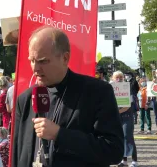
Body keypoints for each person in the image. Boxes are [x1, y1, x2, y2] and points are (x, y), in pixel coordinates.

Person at [12, 26, 124, 167]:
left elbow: (113, 151)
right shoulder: (25, 99)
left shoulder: (97, 92)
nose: (35, 68)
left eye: (43, 61)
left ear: (65, 58)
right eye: (32, 60)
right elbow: (18, 154)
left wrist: (60, 135)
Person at [112, 71, 138, 167]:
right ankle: (124, 161)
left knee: (128, 137)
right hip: (116, 118)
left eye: (120, 77)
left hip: (127, 116)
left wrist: (117, 112)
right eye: (116, 77)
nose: (118, 79)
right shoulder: (110, 89)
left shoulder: (128, 88)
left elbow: (128, 104)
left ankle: (134, 161)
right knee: (120, 138)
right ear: (113, 79)